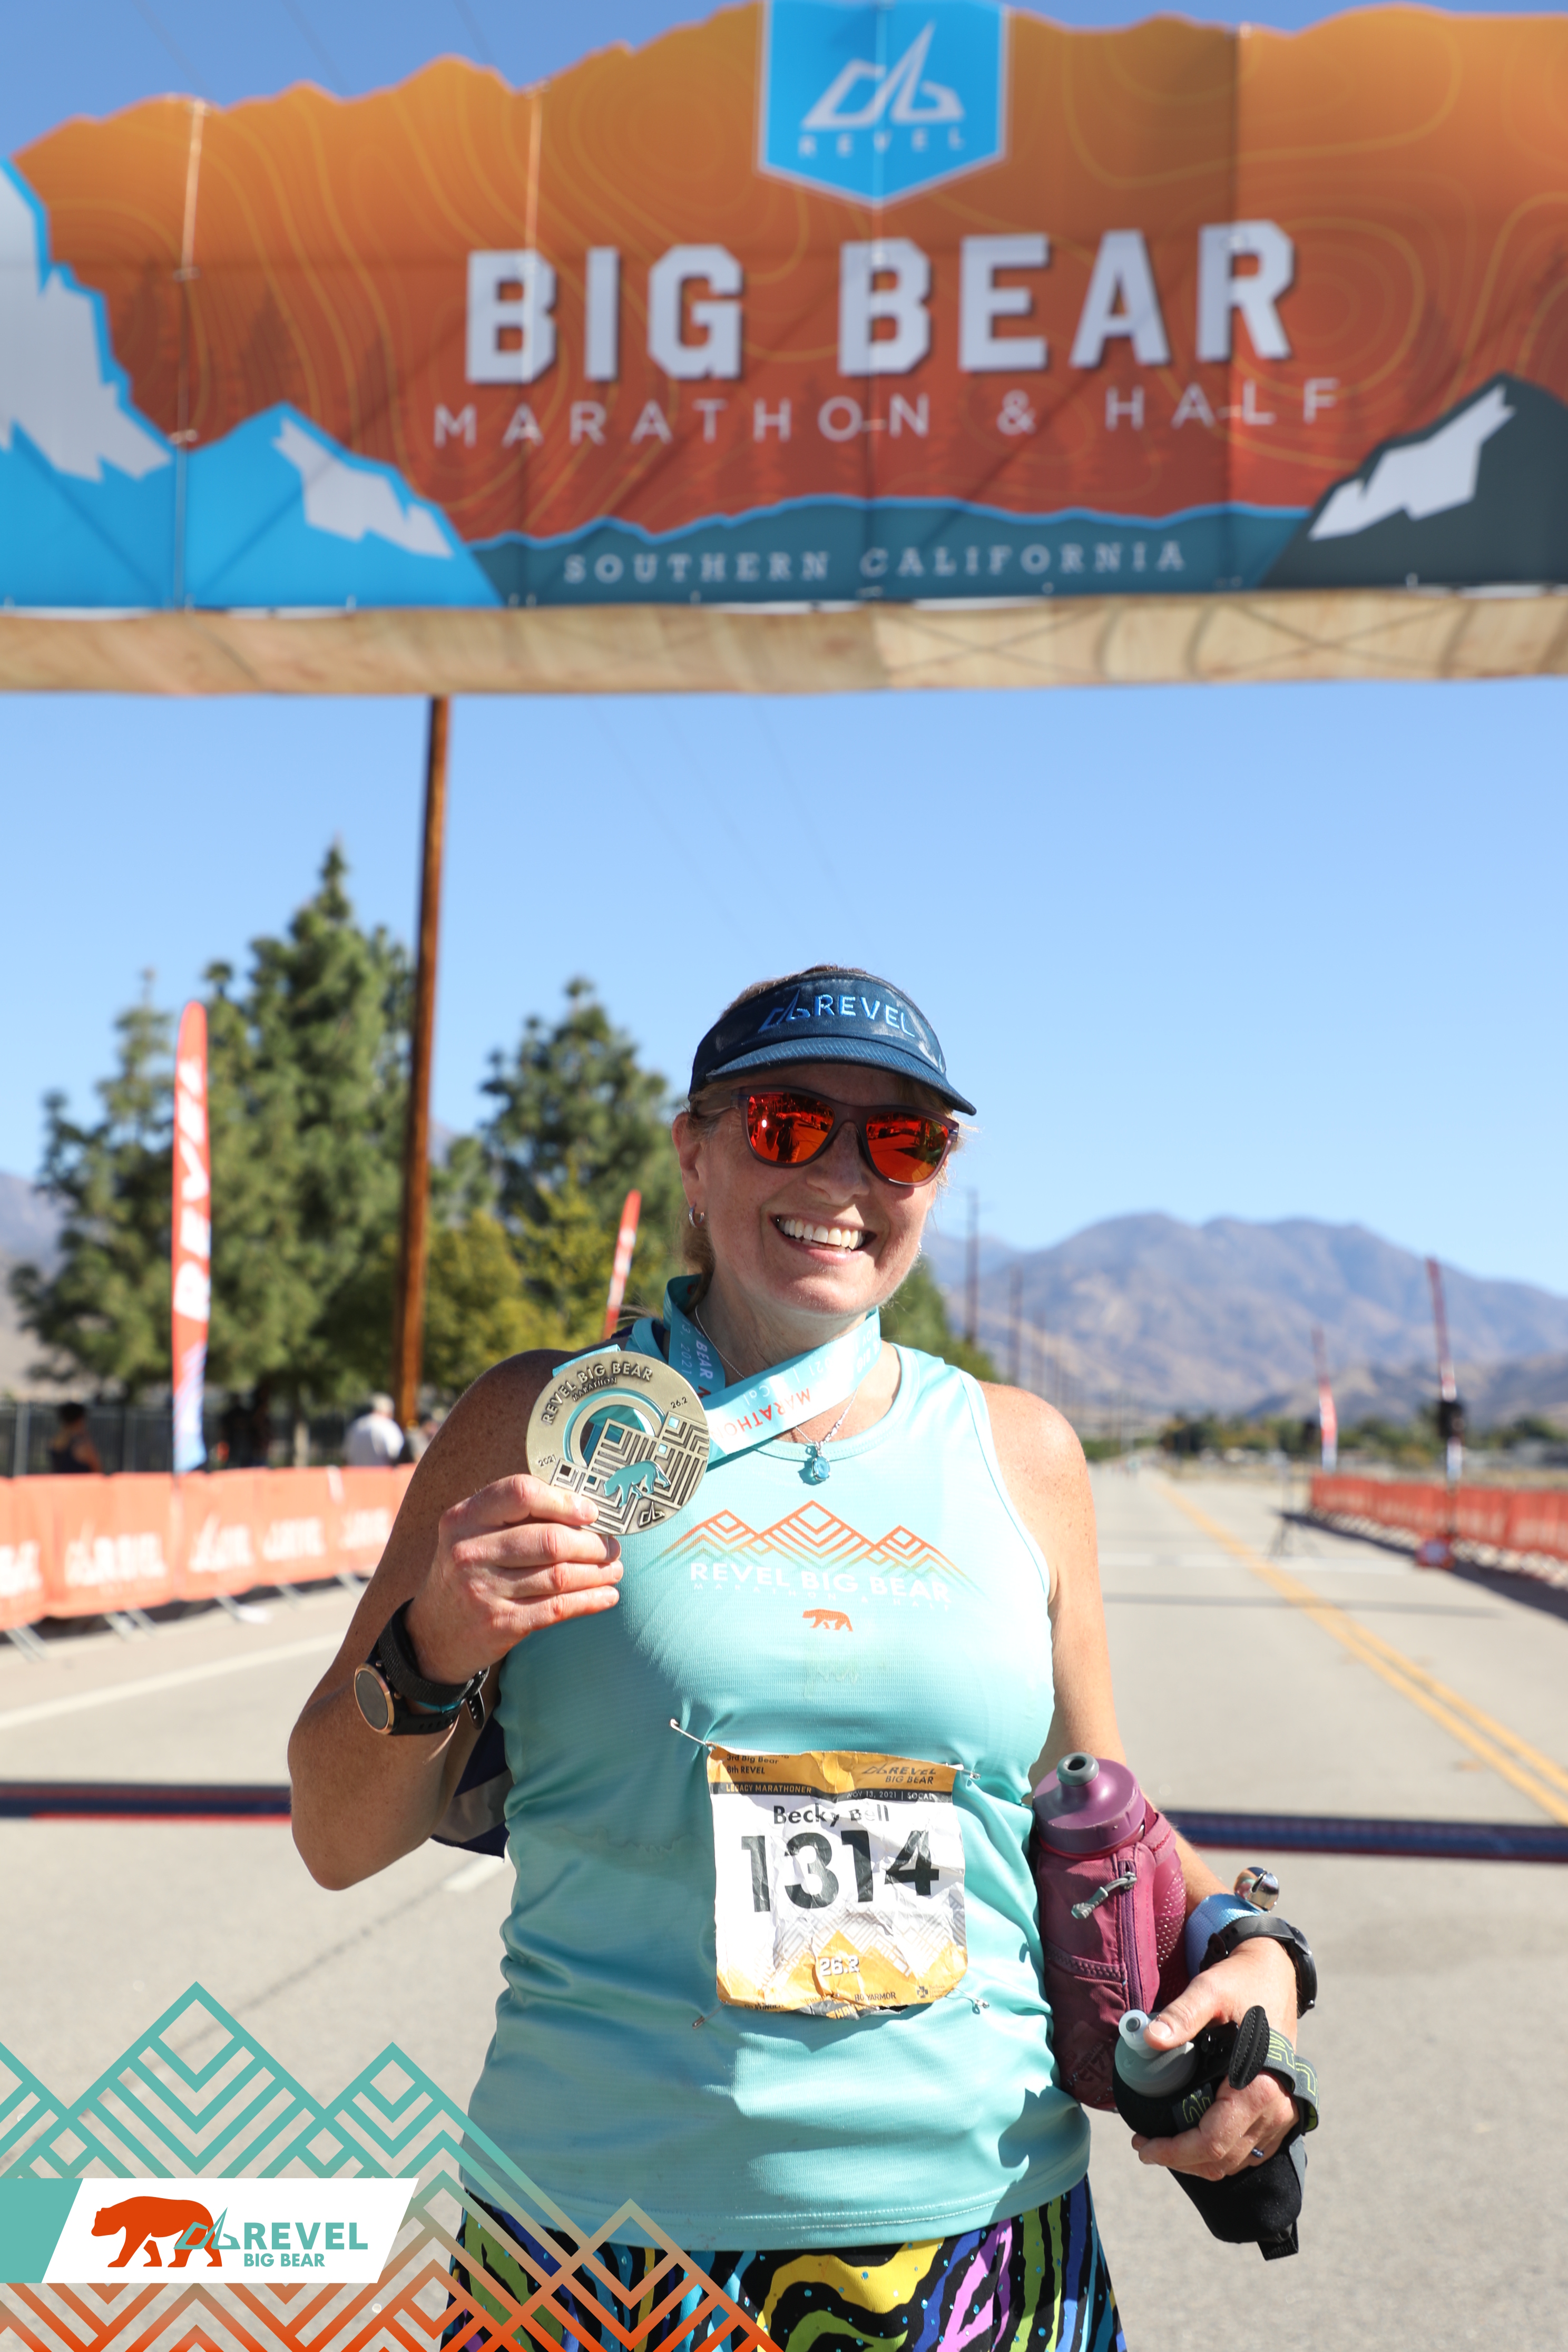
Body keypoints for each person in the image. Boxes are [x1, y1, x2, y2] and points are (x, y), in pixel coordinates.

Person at [289, 967, 1308, 2352]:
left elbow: (1096, 1804)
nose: (842, 1176)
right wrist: (431, 1650)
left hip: (983, 2234)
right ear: (695, 1153)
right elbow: (336, 1837)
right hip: (598, 2245)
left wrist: (1256, 1949)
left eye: (901, 1140)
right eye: (787, 1125)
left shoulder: (1020, 1453)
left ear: (935, 1178)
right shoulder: (543, 1424)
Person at [344, 1393, 406, 1467]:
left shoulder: (356, 1426)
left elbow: (346, 1458)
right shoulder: (388, 1426)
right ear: (388, 1411)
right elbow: (396, 1455)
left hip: (358, 1474)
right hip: (383, 1473)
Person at [47, 1402, 101, 1475]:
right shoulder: (82, 1446)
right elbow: (98, 1471)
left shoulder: (54, 1442)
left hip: (60, 1481)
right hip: (80, 1482)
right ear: (80, 1419)